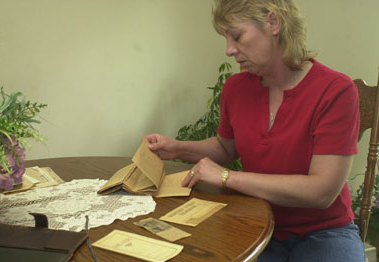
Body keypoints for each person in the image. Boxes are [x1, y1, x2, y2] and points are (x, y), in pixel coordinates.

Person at [144, 0, 365, 261]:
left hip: (324, 231)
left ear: (273, 23)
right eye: (226, 39)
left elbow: (322, 192)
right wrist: (178, 147)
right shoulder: (235, 88)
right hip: (255, 222)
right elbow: (227, 147)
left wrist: (226, 177)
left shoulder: (336, 90)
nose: (228, 50)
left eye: (236, 36)